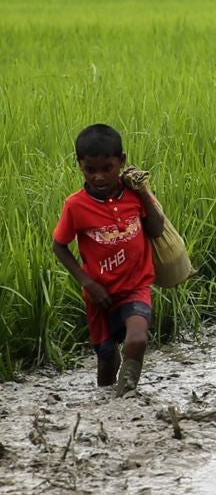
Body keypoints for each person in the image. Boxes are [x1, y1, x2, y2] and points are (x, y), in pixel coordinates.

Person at [52, 124, 166, 396]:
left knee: (137, 339)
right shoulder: (76, 205)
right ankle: (106, 404)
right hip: (99, 295)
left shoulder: (134, 196)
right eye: (90, 170)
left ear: (121, 162)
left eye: (107, 168)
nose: (99, 177)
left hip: (135, 287)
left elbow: (157, 229)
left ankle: (126, 396)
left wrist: (143, 193)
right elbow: (59, 246)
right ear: (79, 165)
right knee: (106, 359)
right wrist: (87, 282)